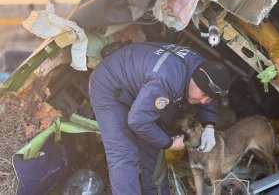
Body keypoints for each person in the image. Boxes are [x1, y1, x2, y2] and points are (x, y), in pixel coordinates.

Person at [88, 42, 231, 195]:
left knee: (152, 149)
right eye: (202, 95)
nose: (203, 101)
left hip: (139, 85)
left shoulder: (201, 67)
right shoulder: (168, 80)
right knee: (124, 154)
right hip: (109, 85)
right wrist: (169, 143)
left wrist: (209, 125)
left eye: (208, 99)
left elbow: (209, 95)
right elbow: (138, 121)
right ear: (194, 80)